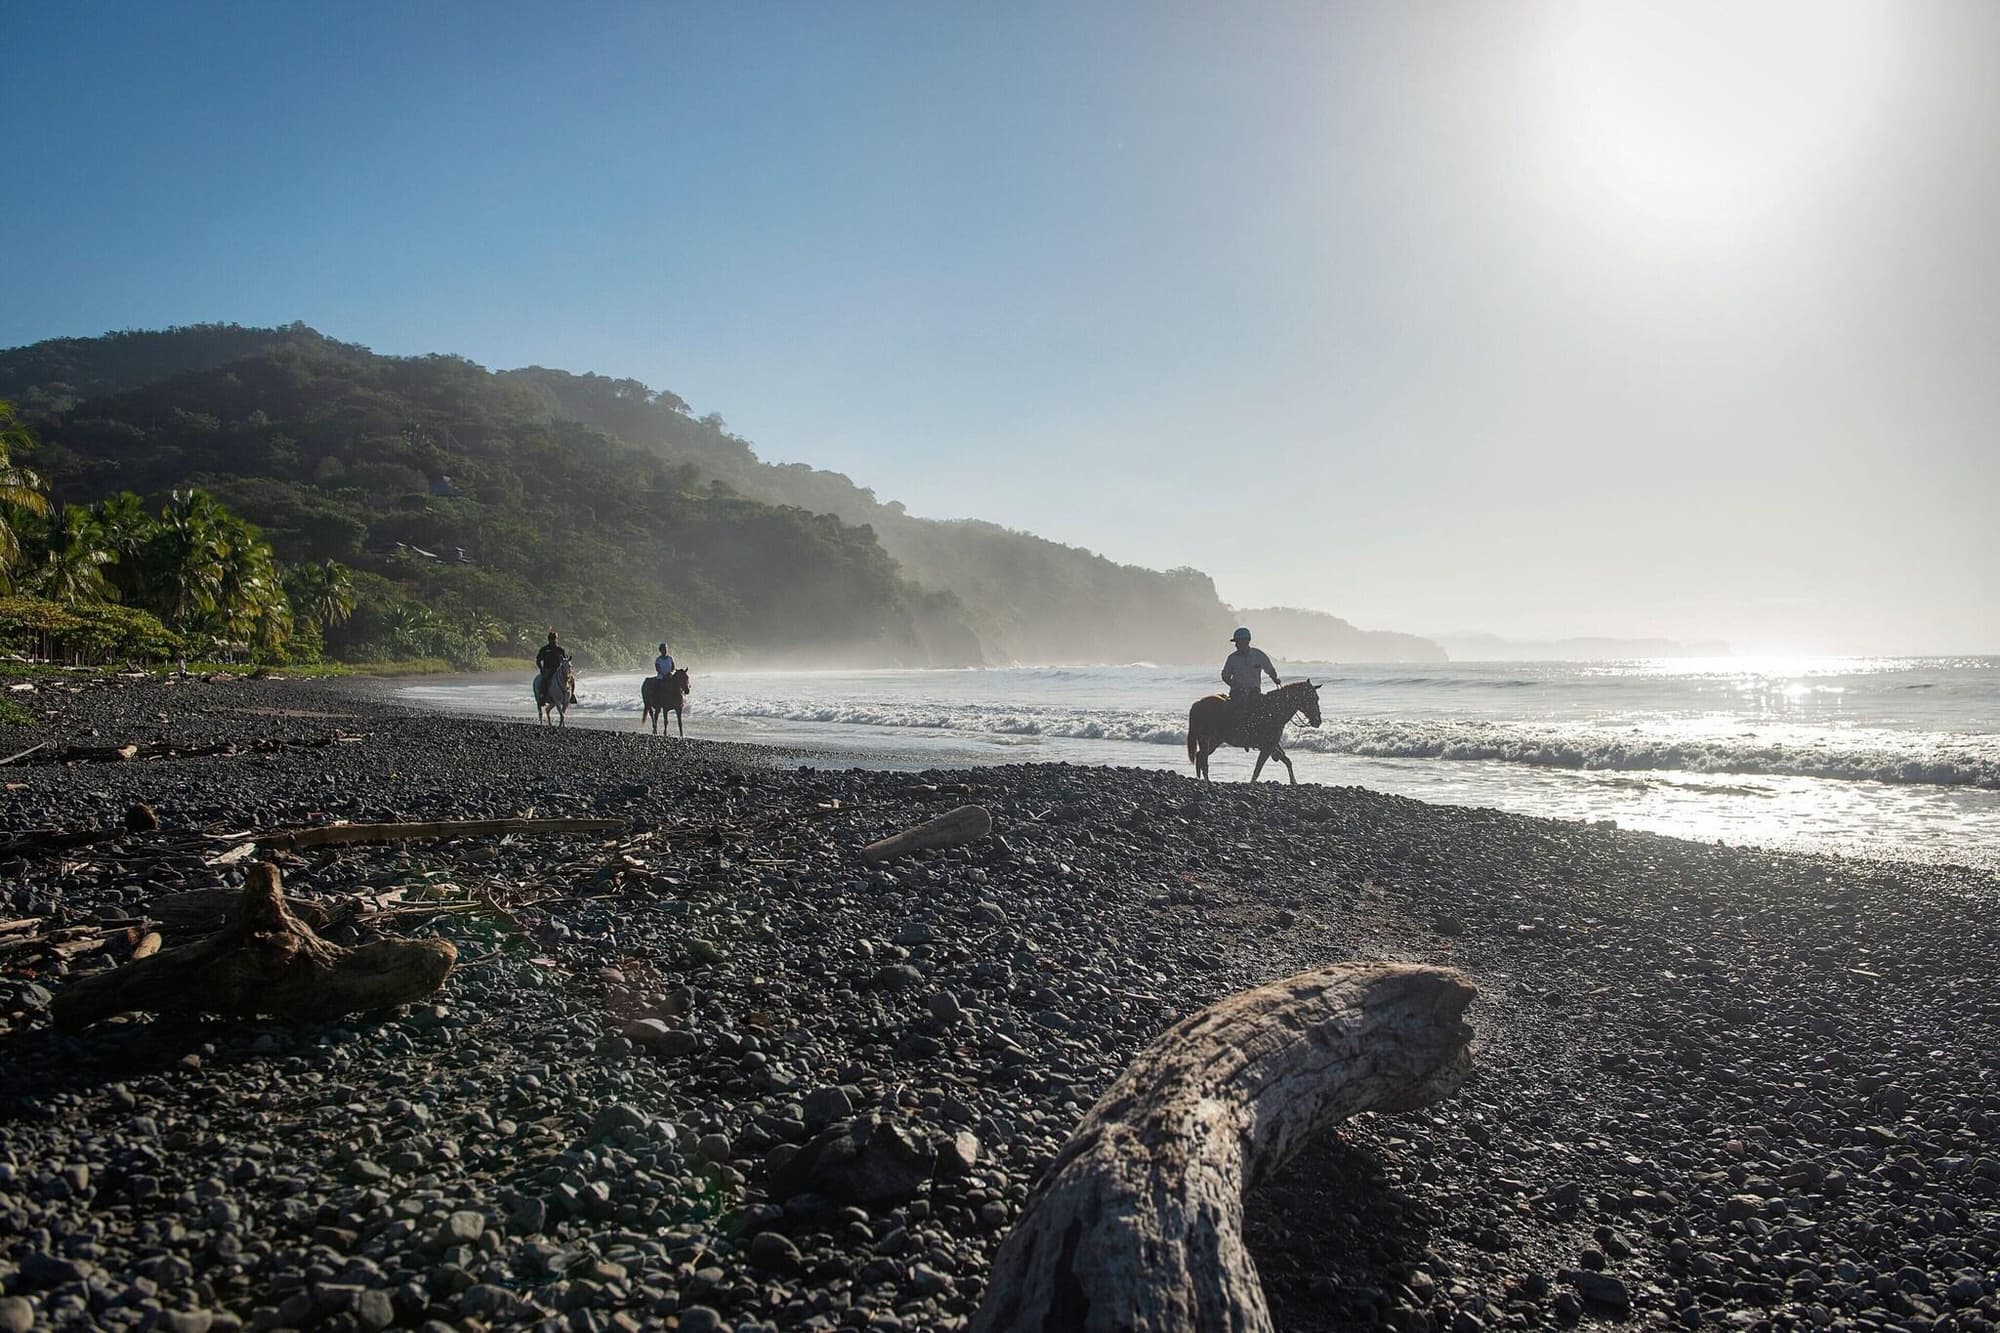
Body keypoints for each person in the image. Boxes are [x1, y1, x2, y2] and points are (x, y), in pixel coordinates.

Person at [1222, 626, 1281, 737]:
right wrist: (1233, 684)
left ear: (1246, 641)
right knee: (1239, 710)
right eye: (1236, 642)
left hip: (1255, 691)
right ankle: (1239, 734)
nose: (1235, 645)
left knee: (1266, 710)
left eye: (1237, 642)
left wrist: (1275, 679)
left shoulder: (1258, 655)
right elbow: (1225, 676)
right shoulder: (1232, 658)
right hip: (1237, 692)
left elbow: (1270, 669)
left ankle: (1264, 735)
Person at [535, 631, 571, 706]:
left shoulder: (560, 649)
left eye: (555, 638)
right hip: (548, 669)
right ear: (549, 639)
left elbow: (565, 659)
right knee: (544, 680)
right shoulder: (544, 649)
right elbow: (538, 660)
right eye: (552, 639)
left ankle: (571, 696)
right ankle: (542, 697)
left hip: (559, 670)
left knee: (571, 679)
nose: (554, 640)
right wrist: (542, 669)